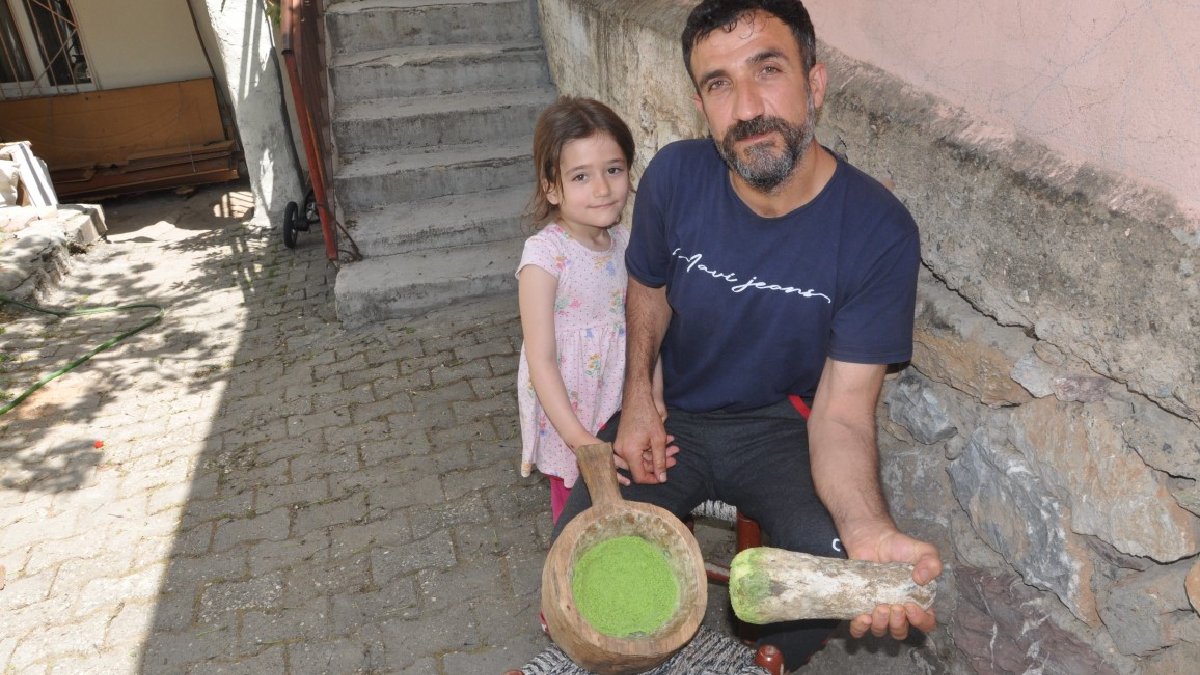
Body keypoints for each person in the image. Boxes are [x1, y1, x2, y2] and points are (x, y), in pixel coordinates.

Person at [550, 0, 943, 669]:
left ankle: (756, 660)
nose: (747, 108)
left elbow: (843, 414)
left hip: (786, 430)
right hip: (680, 415)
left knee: (833, 567)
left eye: (768, 70)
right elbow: (648, 288)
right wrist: (640, 396)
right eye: (718, 84)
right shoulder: (675, 177)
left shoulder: (878, 232)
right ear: (701, 103)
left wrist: (868, 527)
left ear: (813, 83)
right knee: (582, 561)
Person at [516, 96, 671, 523]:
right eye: (581, 176)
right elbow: (540, 359)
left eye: (614, 170)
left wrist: (654, 397)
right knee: (579, 515)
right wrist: (579, 439)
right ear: (552, 187)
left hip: (623, 397)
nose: (603, 188)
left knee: (633, 497)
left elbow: (646, 329)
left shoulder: (627, 243)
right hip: (572, 410)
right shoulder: (544, 257)